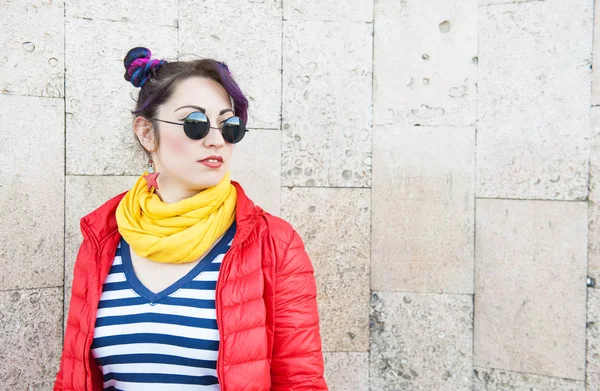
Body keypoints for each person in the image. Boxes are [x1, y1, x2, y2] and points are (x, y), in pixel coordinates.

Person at [53, 47, 328, 391]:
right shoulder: (104, 238)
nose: (216, 140)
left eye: (229, 126)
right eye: (195, 123)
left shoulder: (273, 242)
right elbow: (72, 378)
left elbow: (300, 381)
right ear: (145, 132)